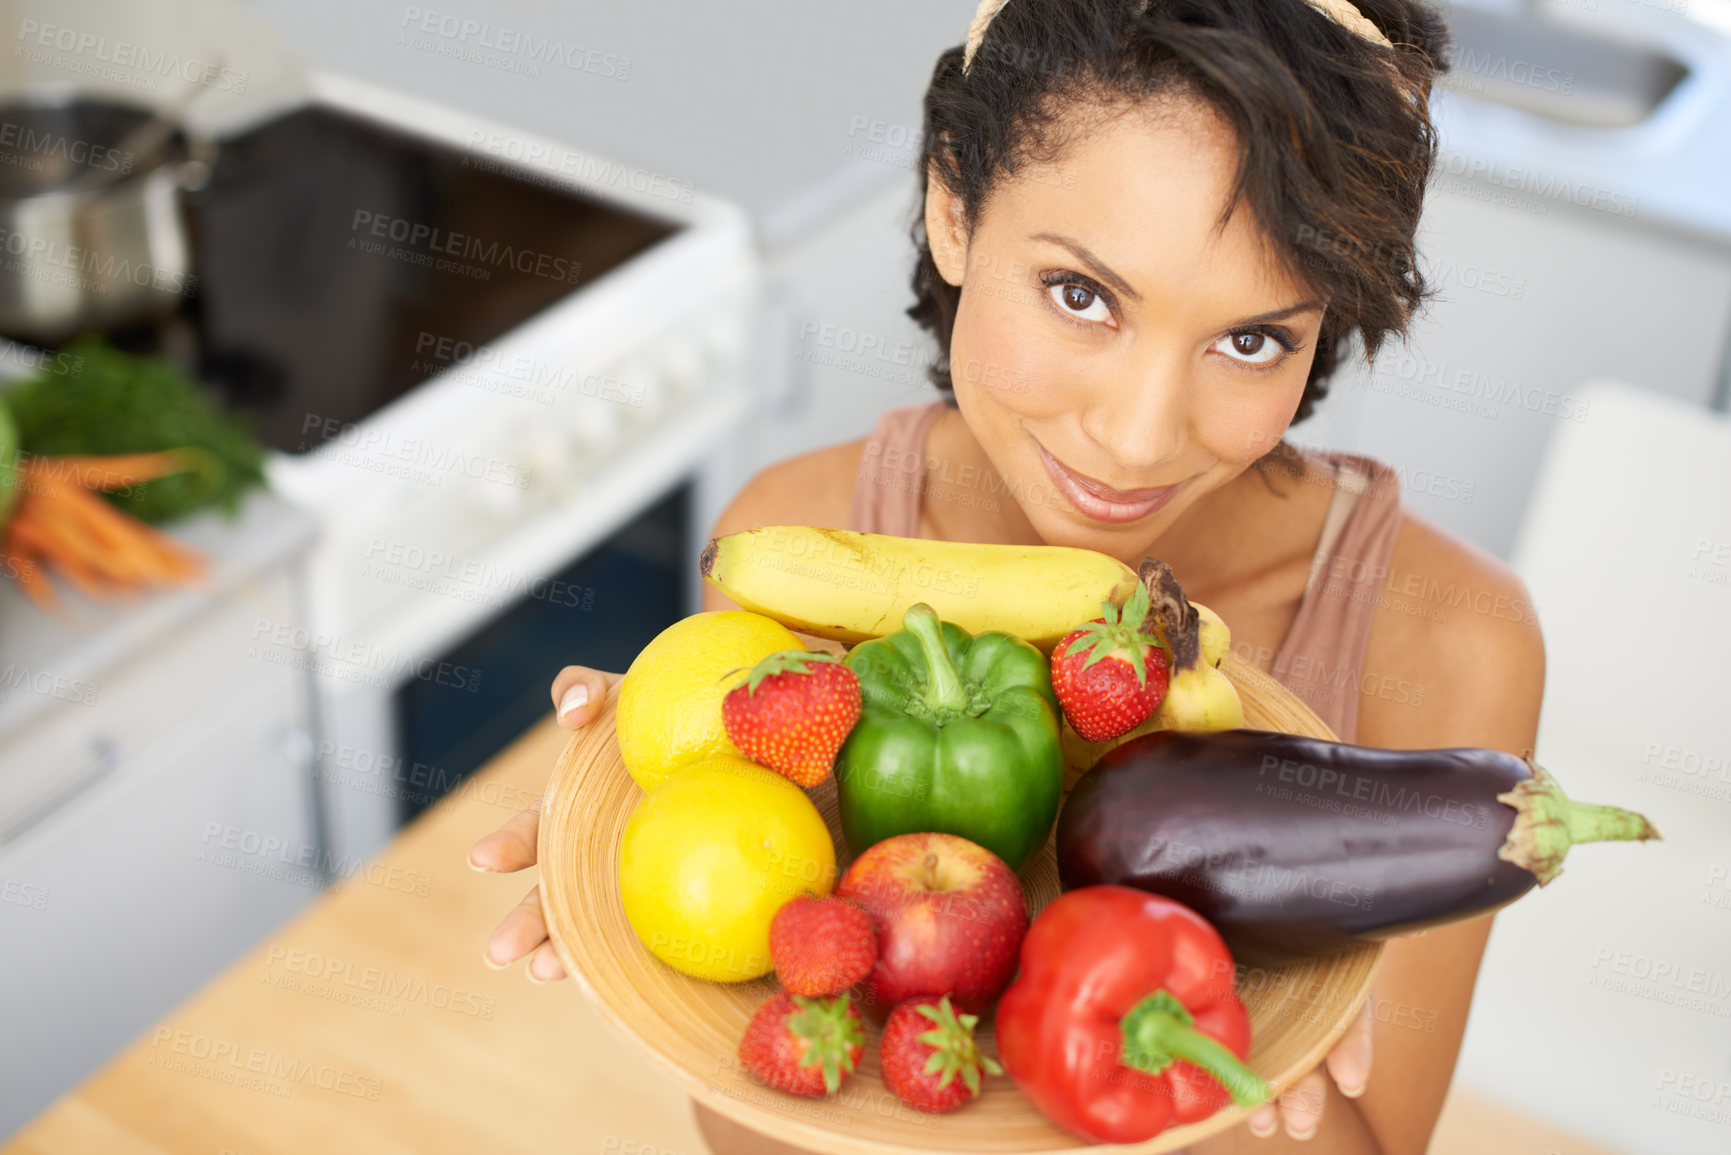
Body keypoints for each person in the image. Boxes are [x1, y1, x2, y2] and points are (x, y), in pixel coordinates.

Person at [469, 0, 1543, 1150]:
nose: (1138, 439)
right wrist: (657, 890)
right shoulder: (795, 538)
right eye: (1083, 295)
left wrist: (1242, 1062)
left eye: (1251, 340)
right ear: (953, 209)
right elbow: (754, 1125)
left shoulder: (1450, 641)